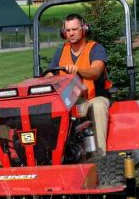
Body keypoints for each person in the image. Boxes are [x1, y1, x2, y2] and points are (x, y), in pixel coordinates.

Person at [47, 13, 113, 154]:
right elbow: (49, 74)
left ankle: (100, 155)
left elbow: (96, 71)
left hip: (93, 98)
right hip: (68, 102)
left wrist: (77, 70)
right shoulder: (60, 52)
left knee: (98, 107)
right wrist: (49, 77)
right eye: (68, 30)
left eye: (74, 29)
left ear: (84, 29)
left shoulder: (95, 49)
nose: (71, 33)